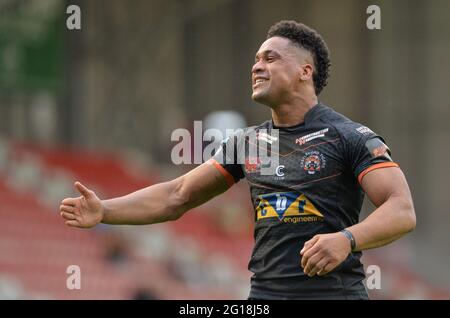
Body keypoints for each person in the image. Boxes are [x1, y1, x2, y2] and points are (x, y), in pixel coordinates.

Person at [60, 20, 416, 299]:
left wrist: (346, 239)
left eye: (270, 58)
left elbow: (401, 210)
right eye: (256, 59)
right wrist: (105, 211)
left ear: (305, 72)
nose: (257, 66)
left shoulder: (348, 136)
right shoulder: (249, 143)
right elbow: (177, 195)